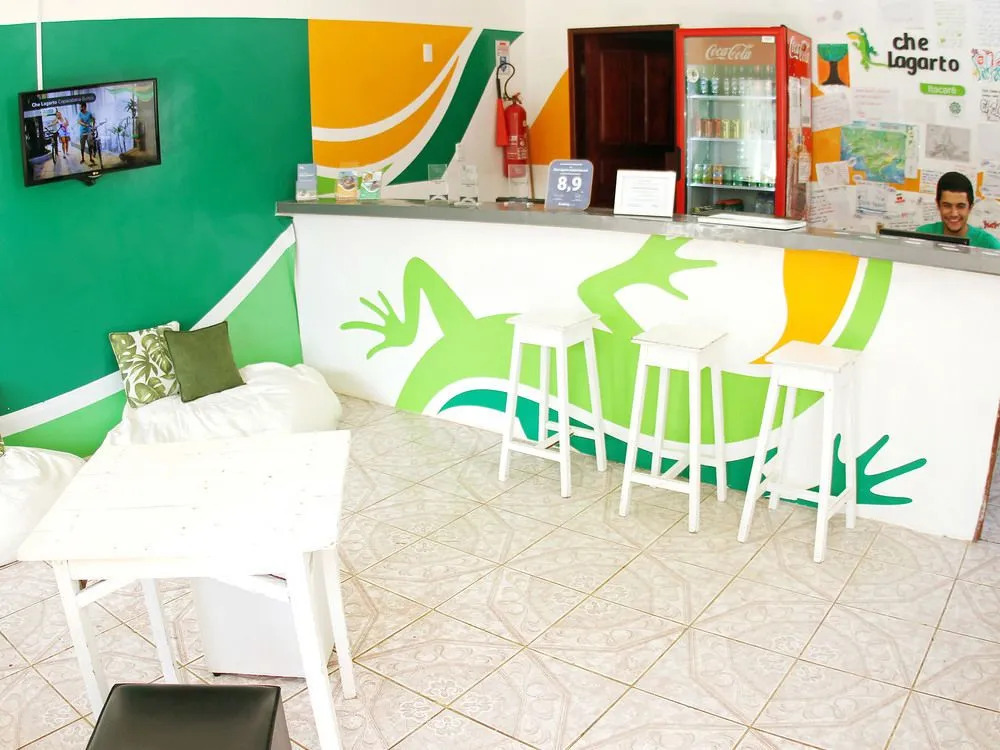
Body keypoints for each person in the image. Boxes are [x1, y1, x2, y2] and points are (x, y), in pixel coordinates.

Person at [917, 171, 1000, 249]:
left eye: (961, 206)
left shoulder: (989, 245)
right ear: (938, 205)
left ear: (970, 207)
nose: (954, 214)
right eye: (947, 206)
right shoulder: (922, 235)